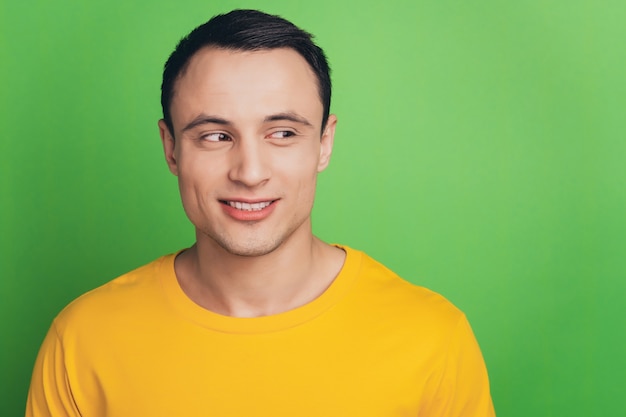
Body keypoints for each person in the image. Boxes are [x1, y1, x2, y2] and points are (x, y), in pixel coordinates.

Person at [26, 9, 495, 417]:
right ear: (171, 148)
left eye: (283, 133)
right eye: (214, 135)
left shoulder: (432, 338)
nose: (250, 172)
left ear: (324, 143)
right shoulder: (84, 339)